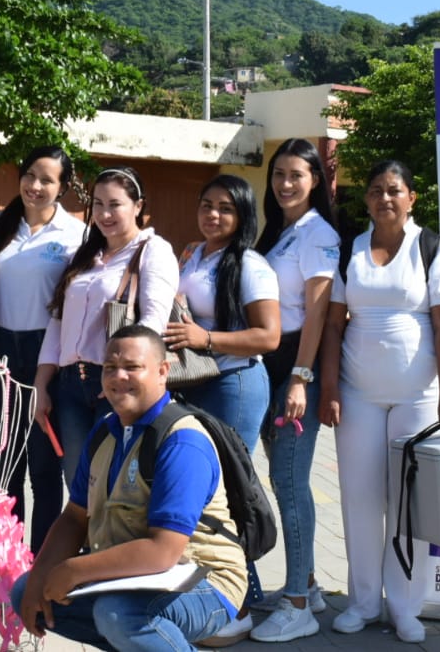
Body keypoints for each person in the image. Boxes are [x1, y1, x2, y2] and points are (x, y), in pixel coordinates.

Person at [12, 325, 247, 650]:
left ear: (163, 371)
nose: (117, 376)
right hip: (138, 574)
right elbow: (75, 518)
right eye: (109, 368)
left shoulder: (182, 441)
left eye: (132, 367)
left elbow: (163, 551)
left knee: (119, 615)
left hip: (205, 579)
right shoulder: (105, 431)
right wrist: (41, 575)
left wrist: (72, 570)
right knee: (27, 591)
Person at [319, 159, 440, 642]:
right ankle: (362, 602)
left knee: (408, 505)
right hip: (358, 396)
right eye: (376, 190)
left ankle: (405, 606)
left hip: (418, 398)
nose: (385, 198)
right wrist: (332, 388)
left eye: (394, 190)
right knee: (360, 500)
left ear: (411, 198)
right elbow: (335, 325)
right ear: (366, 200)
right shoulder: (351, 251)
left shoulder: (433, 249)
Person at [164, 175, 280, 645]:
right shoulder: (195, 254)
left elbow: (268, 337)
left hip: (234, 383)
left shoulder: (251, 264)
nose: (214, 215)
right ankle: (211, 592)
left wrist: (205, 338)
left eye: (225, 209)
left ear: (243, 215)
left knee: (230, 489)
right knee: (199, 490)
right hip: (195, 382)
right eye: (207, 205)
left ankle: (242, 601)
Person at [246, 138, 339, 643]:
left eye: (295, 175)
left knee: (289, 479)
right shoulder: (279, 231)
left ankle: (298, 605)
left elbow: (319, 312)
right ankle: (307, 580)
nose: (284, 184)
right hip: (270, 365)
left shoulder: (318, 234)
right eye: (278, 174)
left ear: (315, 181)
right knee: (285, 479)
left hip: (293, 372)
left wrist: (302, 378)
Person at [35, 166, 178, 486]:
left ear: (138, 206)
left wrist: (120, 374)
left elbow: (152, 323)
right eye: (98, 204)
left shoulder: (152, 250)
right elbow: (58, 322)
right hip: (70, 385)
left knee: (112, 484)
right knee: (78, 485)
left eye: (115, 204)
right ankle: (85, 539)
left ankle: (108, 540)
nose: (104, 213)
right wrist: (42, 384)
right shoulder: (86, 255)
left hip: (117, 384)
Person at [0, 145, 85, 552]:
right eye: (30, 175)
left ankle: (40, 560)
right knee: (4, 467)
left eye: (47, 179)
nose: (35, 185)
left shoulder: (76, 235)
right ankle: (6, 560)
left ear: (62, 188)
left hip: (49, 358)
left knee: (44, 469)